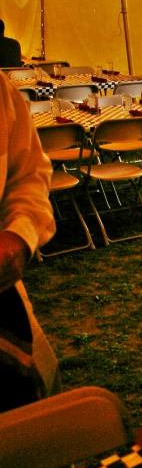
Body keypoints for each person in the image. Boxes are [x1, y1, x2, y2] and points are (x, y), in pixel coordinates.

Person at [0, 73, 59, 412]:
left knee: (35, 431)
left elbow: (29, 175)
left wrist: (19, 235)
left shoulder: (1, 92)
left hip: (4, 302)